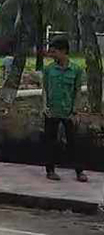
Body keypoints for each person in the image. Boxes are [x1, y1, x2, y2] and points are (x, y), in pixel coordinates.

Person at [43, 36, 87, 182]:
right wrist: (44, 106)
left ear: (63, 51)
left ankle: (79, 171)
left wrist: (75, 111)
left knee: (73, 142)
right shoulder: (48, 69)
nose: (52, 54)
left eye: (54, 51)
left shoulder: (76, 70)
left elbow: (77, 92)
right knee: (50, 142)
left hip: (68, 112)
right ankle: (50, 170)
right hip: (52, 111)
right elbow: (44, 89)